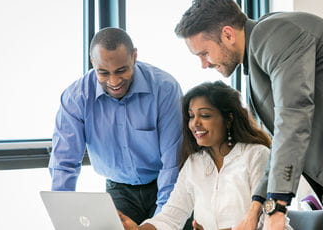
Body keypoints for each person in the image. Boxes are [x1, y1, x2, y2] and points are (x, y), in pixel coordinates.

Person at [175, 0, 323, 229]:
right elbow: (280, 146)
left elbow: (294, 116)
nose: (204, 64)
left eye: (204, 53)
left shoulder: (274, 33)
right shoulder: (258, 60)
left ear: (227, 34)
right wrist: (254, 211)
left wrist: (277, 207)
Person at [48, 27, 183, 224]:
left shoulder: (165, 88)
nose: (114, 81)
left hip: (166, 184)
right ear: (93, 63)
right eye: (103, 73)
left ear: (134, 57)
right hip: (118, 189)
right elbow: (64, 163)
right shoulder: (76, 98)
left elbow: (172, 164)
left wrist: (162, 223)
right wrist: (65, 219)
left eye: (121, 70)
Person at [119, 81, 292, 230]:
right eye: (191, 116)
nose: (195, 123)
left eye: (205, 115)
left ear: (229, 119)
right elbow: (171, 217)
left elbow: (264, 221)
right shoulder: (194, 163)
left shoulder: (256, 155)